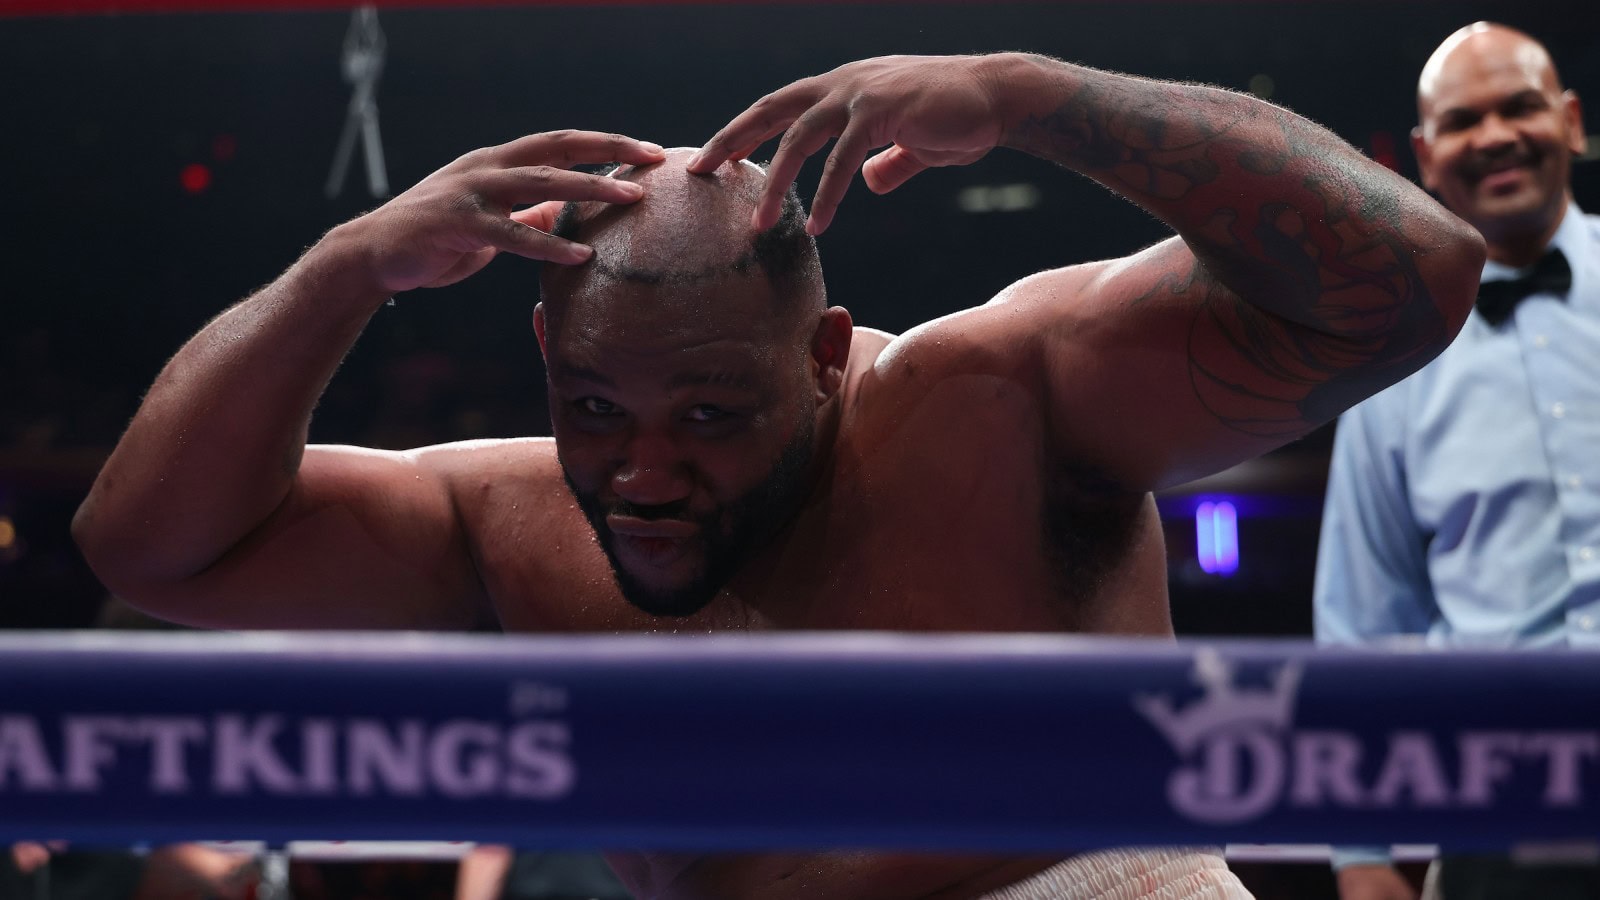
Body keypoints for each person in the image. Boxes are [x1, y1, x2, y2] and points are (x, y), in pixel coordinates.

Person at [75, 52, 1483, 900]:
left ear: (822, 353)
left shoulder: (996, 399)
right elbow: (147, 547)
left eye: (708, 410)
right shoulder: (502, 519)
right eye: (595, 407)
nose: (644, 470)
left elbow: (1413, 271)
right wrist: (345, 271)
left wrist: (1032, 97)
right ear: (543, 358)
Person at [1313, 23, 1598, 900]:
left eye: (1519, 108)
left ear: (1572, 122)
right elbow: (1362, 623)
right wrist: (1360, 859)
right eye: (1466, 121)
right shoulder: (1395, 362)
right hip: (1499, 797)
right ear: (1428, 158)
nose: (1497, 137)